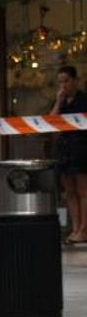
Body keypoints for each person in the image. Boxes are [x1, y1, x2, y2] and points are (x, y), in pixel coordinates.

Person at [51, 65, 87, 244]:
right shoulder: (62, 102)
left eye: (66, 81)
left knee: (83, 190)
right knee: (70, 192)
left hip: (81, 148)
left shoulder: (83, 100)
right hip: (64, 149)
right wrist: (58, 101)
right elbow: (51, 124)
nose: (63, 85)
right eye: (60, 82)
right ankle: (75, 228)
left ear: (75, 80)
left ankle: (84, 229)